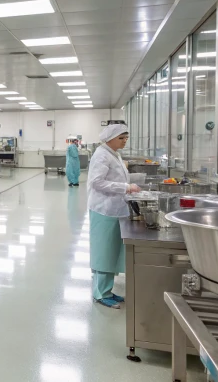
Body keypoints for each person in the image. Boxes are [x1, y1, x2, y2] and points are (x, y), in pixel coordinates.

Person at [87, 124, 140, 309]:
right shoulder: (102, 155)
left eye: (126, 137)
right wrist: (125, 188)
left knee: (112, 251)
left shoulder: (113, 154)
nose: (125, 141)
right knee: (104, 252)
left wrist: (128, 187)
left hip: (115, 208)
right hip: (104, 209)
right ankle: (100, 293)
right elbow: (97, 182)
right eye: (121, 138)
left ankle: (107, 289)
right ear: (109, 138)